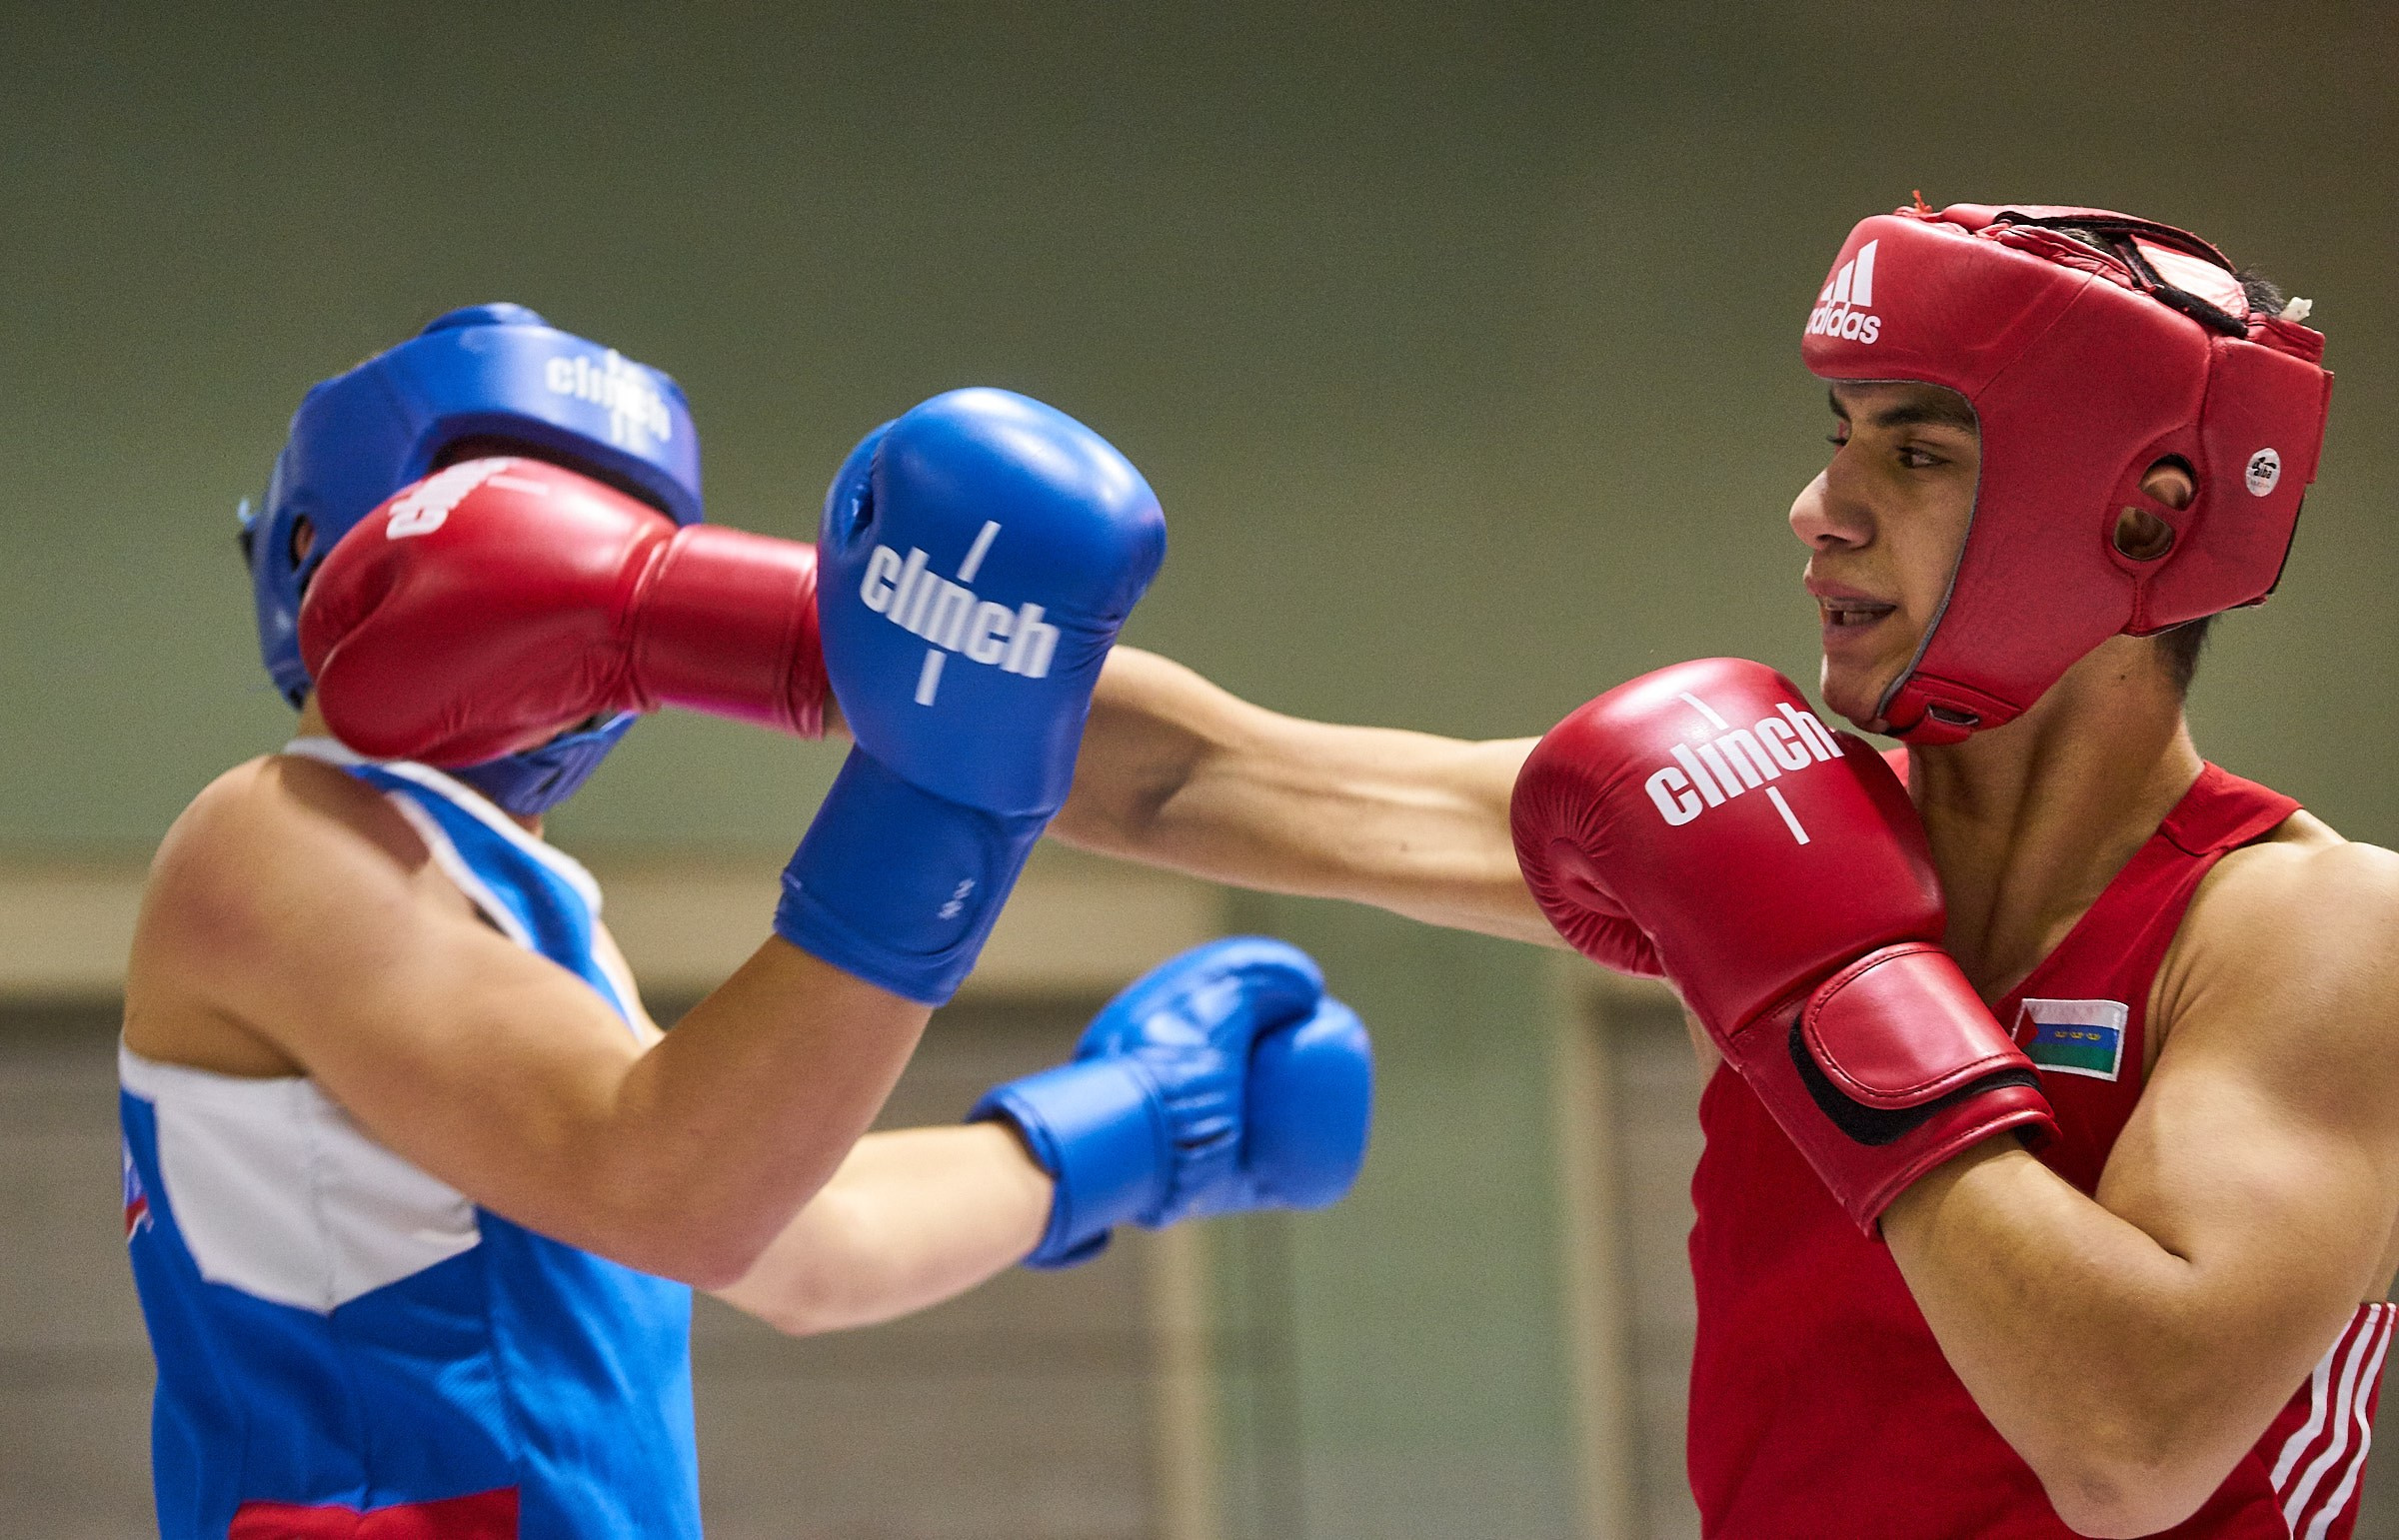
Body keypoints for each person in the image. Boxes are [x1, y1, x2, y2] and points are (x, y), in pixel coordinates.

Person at [1060, 204, 2393, 1538]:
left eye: (1917, 451)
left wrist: (1840, 984)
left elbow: (2131, 1444)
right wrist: (871, 637)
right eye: (1839, 437)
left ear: (2146, 525)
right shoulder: (1758, 819)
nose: (1820, 512)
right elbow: (1197, 779)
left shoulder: (2306, 930)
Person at [122, 304, 1371, 1539]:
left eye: (598, 534)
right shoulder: (274, 832)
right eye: (509, 523)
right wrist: (950, 775)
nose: (541, 580)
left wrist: (1130, 1129)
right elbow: (676, 1183)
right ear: (315, 545)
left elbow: (799, 1237)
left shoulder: (518, 918)